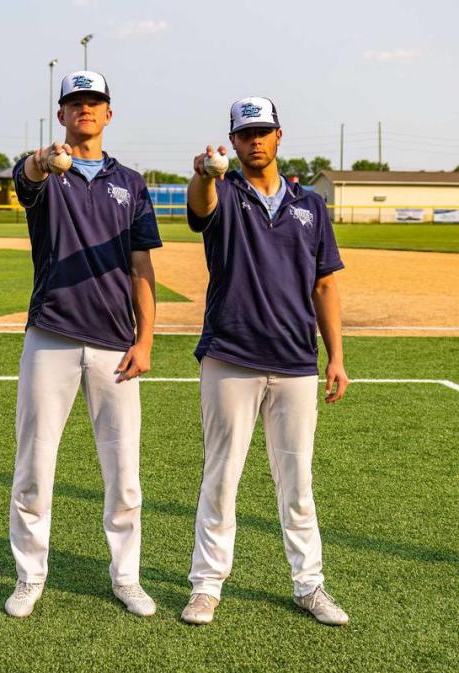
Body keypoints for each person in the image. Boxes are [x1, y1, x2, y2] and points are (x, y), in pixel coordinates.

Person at [181, 96, 349, 626]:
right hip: (231, 356)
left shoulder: (311, 206)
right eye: (244, 133)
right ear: (232, 141)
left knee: (297, 482)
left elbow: (324, 284)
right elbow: (200, 205)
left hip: (297, 360)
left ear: (279, 135)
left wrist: (336, 356)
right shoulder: (223, 193)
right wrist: (204, 175)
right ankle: (206, 586)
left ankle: (309, 584)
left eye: (263, 131)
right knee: (221, 477)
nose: (255, 140)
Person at [5, 71, 161, 618]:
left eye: (94, 103)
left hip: (116, 344)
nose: (85, 110)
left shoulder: (132, 183)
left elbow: (142, 265)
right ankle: (30, 575)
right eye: (75, 103)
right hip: (51, 334)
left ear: (108, 113)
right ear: (63, 113)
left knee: (123, 472)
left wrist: (145, 340)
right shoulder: (47, 168)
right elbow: (25, 178)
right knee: (34, 465)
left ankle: (126, 576)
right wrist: (41, 163)